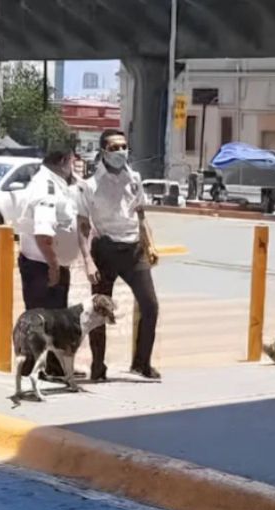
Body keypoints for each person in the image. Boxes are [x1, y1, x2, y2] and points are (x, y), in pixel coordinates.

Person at [76, 129, 162, 381]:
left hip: (133, 250)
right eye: (114, 148)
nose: (120, 152)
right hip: (105, 250)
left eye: (123, 146)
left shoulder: (134, 178)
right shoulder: (89, 185)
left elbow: (140, 215)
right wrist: (88, 261)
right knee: (99, 312)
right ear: (103, 151)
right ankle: (98, 366)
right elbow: (82, 226)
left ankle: (142, 362)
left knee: (150, 305)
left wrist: (151, 245)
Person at [14, 147, 88, 379]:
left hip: (50, 264)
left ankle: (55, 368)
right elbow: (43, 234)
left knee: (56, 321)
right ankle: (30, 372)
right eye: (74, 160)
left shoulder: (57, 182)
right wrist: (54, 266)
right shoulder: (46, 188)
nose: (76, 166)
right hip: (43, 267)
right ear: (65, 159)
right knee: (38, 321)